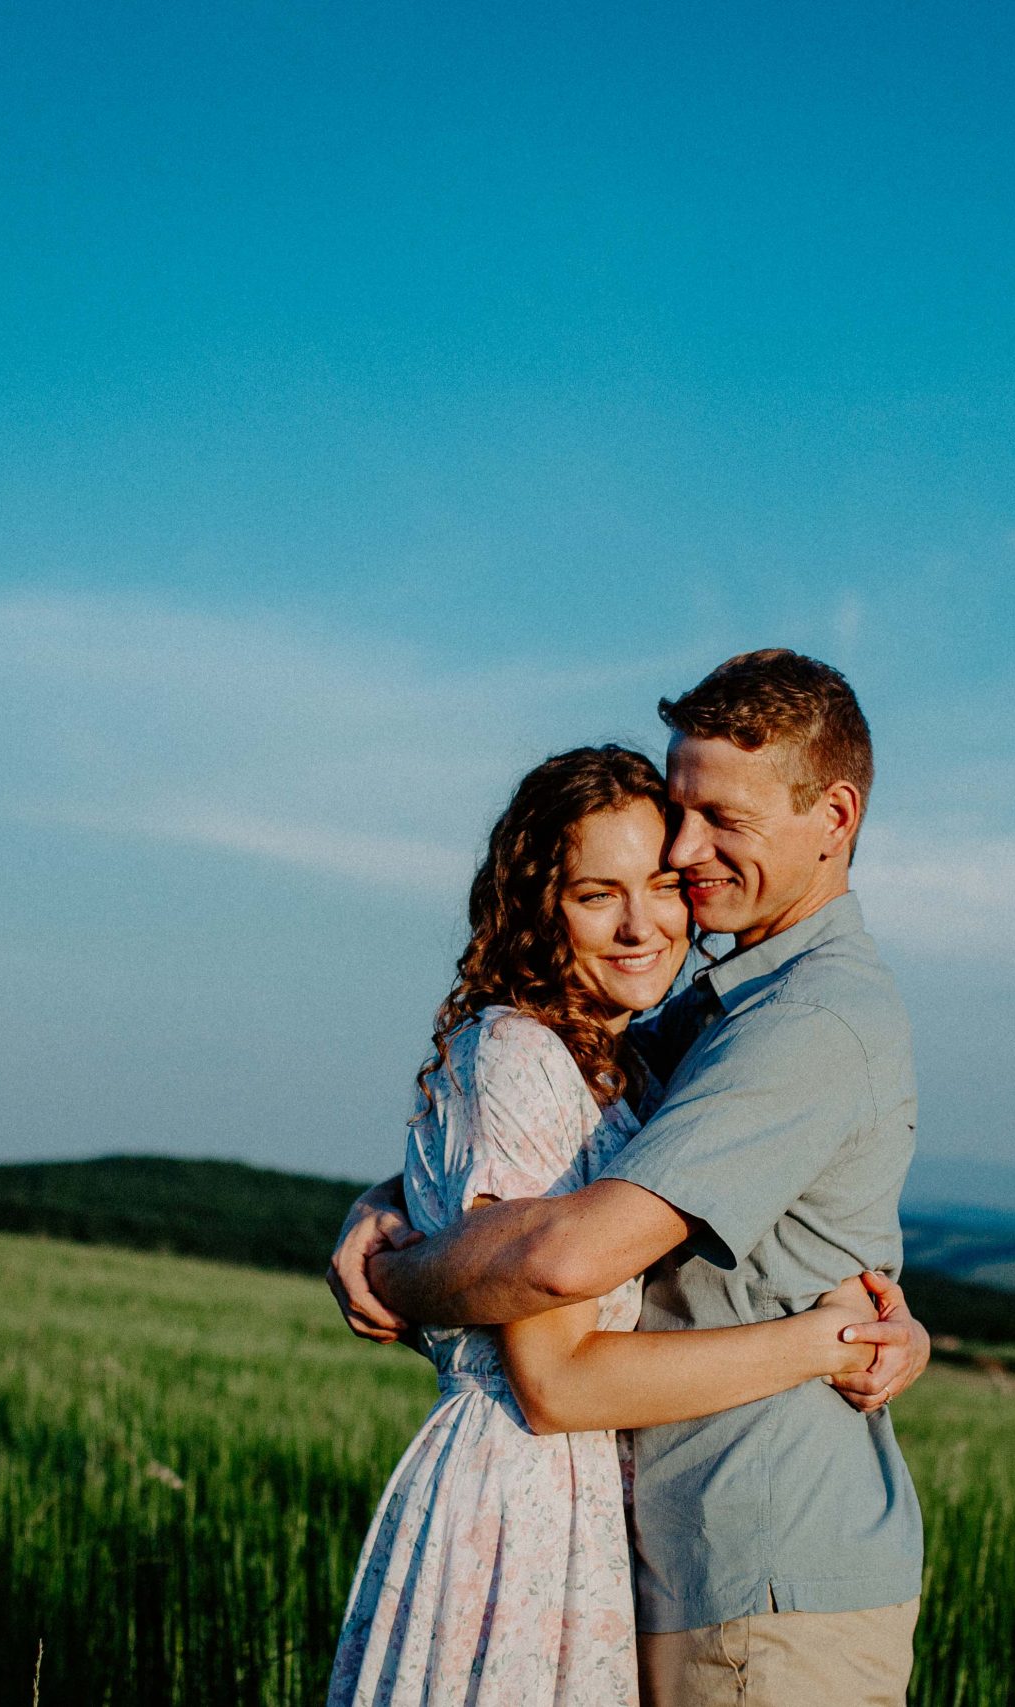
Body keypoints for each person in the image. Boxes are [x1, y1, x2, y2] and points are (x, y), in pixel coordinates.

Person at [333, 651, 935, 1707]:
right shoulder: (705, 1015)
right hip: (668, 1551)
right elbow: (551, 1146)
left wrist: (400, 1274)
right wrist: (392, 1200)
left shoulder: (801, 1025)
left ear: (833, 815)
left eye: (720, 826)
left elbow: (561, 1254)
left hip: (762, 1568)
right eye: (678, 822)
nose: (688, 858)